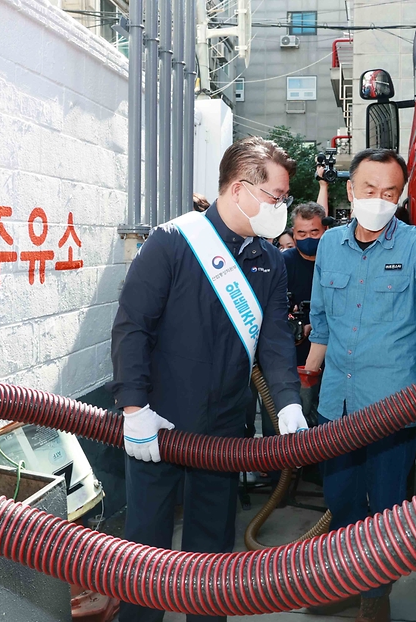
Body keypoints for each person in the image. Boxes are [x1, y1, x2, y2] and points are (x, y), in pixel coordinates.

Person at [110, 136, 309, 622]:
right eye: (276, 198)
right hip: (158, 424)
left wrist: (287, 402)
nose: (280, 209)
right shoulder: (173, 242)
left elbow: (276, 338)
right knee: (145, 556)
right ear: (240, 189)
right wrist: (133, 407)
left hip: (223, 427)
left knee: (211, 555)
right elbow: (131, 326)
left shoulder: (268, 260)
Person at [304, 148, 416, 622]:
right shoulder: (330, 245)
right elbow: (320, 322)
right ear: (350, 190)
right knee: (339, 502)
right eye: (369, 190)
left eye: (390, 193)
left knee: (385, 511)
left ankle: (375, 597)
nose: (378, 200)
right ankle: (345, 584)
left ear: (400, 198)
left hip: (393, 408)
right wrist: (306, 384)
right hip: (336, 403)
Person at [282, 201, 327, 367]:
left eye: (314, 232)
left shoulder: (337, 261)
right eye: (302, 233)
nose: (308, 238)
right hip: (294, 352)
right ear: (294, 234)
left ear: (325, 230)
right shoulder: (283, 263)